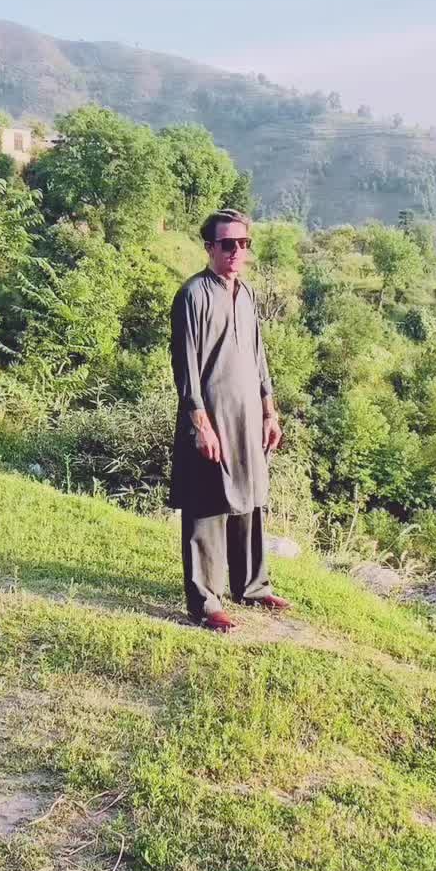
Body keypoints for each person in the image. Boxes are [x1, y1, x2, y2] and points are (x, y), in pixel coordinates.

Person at [168, 208, 292, 631]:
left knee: (250, 497)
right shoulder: (193, 295)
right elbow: (185, 365)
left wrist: (269, 411)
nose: (236, 251)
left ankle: (252, 587)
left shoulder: (247, 293)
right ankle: (206, 602)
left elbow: (258, 356)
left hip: (249, 414)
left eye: (243, 243)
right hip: (212, 414)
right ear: (209, 247)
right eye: (227, 244)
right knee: (206, 502)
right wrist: (200, 424)